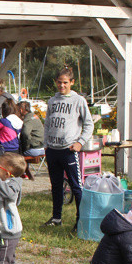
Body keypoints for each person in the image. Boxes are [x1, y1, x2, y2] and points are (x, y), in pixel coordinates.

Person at [43, 67, 93, 229]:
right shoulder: (52, 101)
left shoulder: (78, 101)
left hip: (69, 150)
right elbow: (47, 124)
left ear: (71, 82)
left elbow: (89, 124)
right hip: (52, 150)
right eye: (59, 82)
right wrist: (46, 145)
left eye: (65, 82)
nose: (62, 86)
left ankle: (81, 220)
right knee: (56, 186)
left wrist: (80, 142)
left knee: (76, 186)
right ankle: (56, 217)